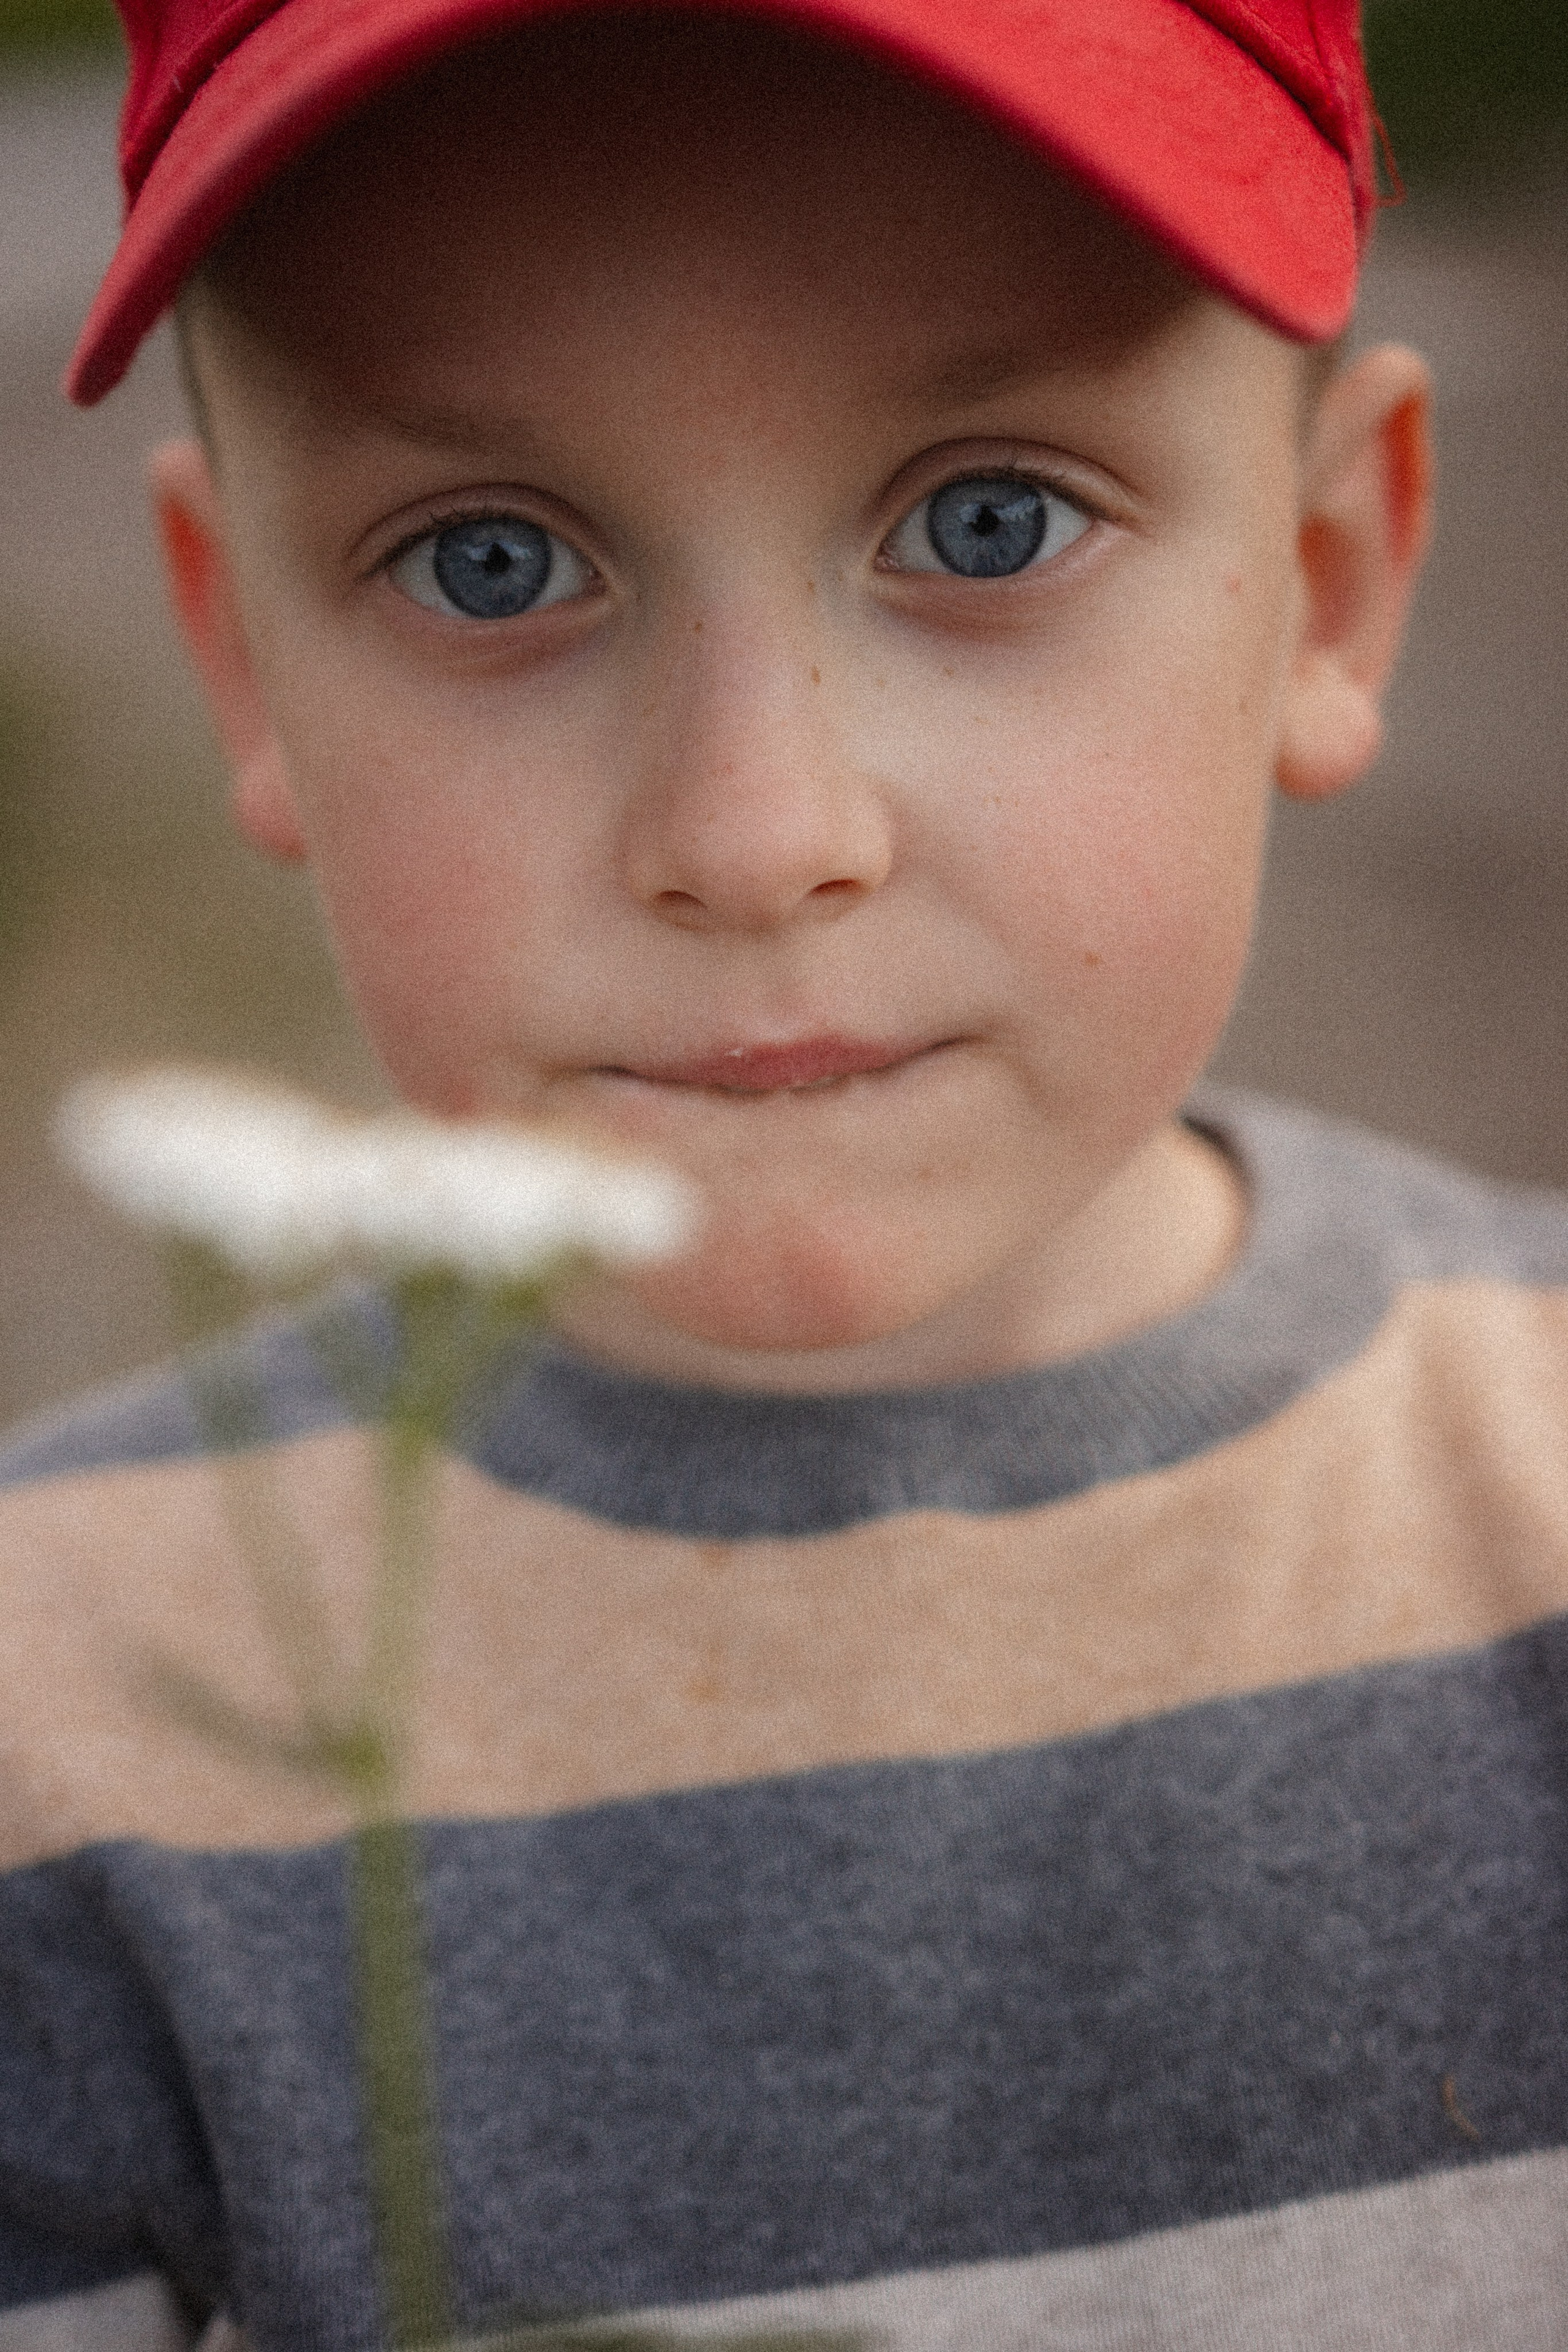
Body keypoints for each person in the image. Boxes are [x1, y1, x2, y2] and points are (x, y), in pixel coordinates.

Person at [2, 0, 1566, 2343]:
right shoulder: (56, 1738)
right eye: (491, 567)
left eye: (988, 520)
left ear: (1331, 578)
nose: (755, 837)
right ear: (247, 665)